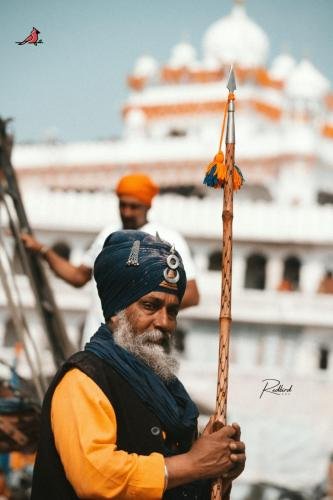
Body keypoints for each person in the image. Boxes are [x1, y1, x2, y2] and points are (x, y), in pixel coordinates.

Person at [31, 230, 246, 499]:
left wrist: (217, 472)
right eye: (150, 305)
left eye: (172, 311)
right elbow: (95, 478)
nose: (165, 322)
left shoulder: (168, 390)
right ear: (116, 312)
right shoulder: (84, 380)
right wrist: (192, 464)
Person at [21, 173, 200, 345]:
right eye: (122, 206)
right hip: (99, 341)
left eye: (134, 206)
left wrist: (146, 306)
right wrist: (42, 250)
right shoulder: (108, 235)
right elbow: (78, 277)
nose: (127, 212)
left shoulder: (168, 239)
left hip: (141, 346)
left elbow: (192, 295)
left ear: (148, 206)